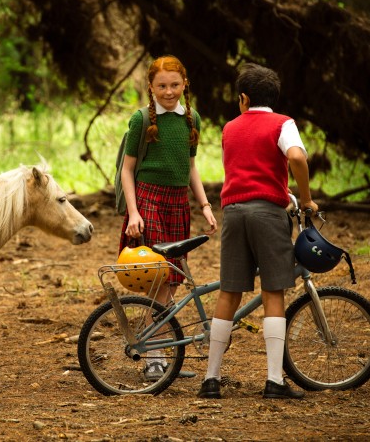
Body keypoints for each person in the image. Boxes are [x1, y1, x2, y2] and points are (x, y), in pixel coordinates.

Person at [198, 63, 318, 400]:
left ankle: (211, 379)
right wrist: (305, 198)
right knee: (273, 291)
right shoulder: (283, 123)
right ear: (274, 99)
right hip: (267, 213)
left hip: (233, 212)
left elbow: (246, 169)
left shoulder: (230, 128)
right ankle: (273, 381)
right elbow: (295, 157)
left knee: (229, 292)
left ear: (243, 99)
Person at [119, 55, 217, 381]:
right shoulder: (142, 120)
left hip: (177, 203)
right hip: (148, 200)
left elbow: (190, 168)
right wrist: (133, 213)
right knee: (156, 277)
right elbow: (127, 169)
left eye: (175, 85)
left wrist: (204, 205)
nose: (169, 91)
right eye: (162, 85)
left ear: (184, 84)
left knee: (172, 280)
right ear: (151, 86)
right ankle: (154, 357)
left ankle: (159, 351)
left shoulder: (192, 120)